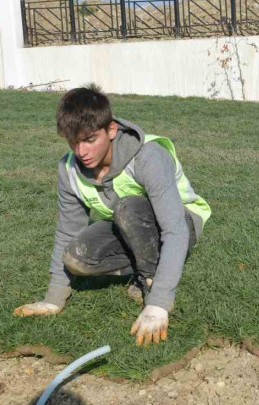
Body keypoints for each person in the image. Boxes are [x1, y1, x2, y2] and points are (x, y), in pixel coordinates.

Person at [13, 84, 210, 347]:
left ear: (111, 130)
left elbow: (174, 229)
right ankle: (143, 266)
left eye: (90, 139)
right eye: (74, 141)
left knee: (128, 208)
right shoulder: (69, 168)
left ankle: (149, 283)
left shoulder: (148, 156)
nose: (81, 151)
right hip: (129, 225)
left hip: (182, 224)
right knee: (76, 257)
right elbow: (67, 231)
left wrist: (159, 304)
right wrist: (53, 299)